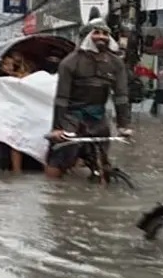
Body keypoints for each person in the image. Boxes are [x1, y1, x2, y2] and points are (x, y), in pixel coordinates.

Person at [46, 18, 133, 178]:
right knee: (60, 159)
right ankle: (52, 192)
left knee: (102, 162)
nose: (102, 37)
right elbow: (62, 98)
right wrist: (58, 128)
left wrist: (123, 125)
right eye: (97, 33)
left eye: (105, 34)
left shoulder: (116, 63)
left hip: (98, 117)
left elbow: (121, 96)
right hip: (72, 117)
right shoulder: (70, 62)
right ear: (87, 37)